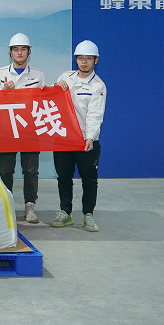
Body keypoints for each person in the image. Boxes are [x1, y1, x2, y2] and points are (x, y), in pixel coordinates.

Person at [51, 40, 107, 232]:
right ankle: (65, 212)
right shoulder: (65, 77)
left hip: (85, 141)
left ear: (95, 61)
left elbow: (95, 114)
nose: (84, 62)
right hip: (64, 138)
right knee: (63, 177)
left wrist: (90, 137)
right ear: (76, 59)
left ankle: (88, 215)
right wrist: (55, 86)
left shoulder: (98, 86)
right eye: (80, 58)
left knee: (89, 179)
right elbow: (53, 100)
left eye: (88, 59)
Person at [0, 33, 45, 223]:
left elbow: (44, 102)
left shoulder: (38, 75)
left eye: (23, 49)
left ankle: (30, 206)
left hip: (30, 130)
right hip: (7, 130)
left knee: (31, 171)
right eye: (15, 49)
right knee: (6, 170)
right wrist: (4, 92)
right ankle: (6, 206)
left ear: (29, 52)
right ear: (10, 52)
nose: (19, 52)